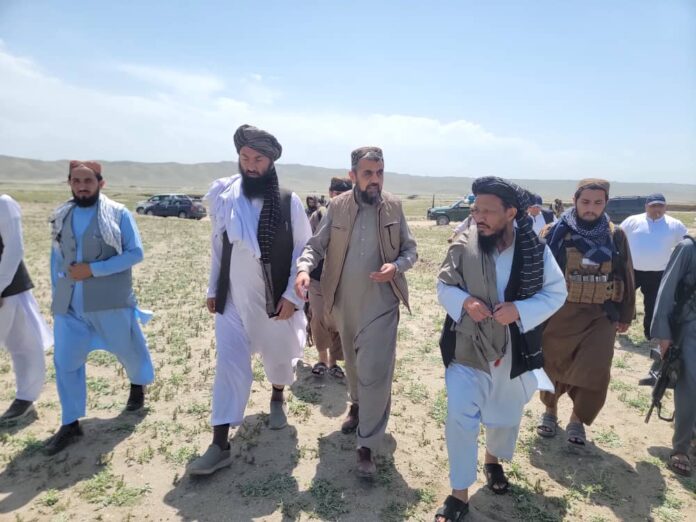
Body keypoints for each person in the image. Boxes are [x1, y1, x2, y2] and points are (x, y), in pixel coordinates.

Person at [433, 177, 566, 521]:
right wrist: (465, 302)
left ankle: (492, 461)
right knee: (459, 416)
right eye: (476, 209)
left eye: (488, 211)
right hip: (467, 346)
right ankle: (459, 494)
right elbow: (443, 286)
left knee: (505, 414)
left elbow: (557, 293)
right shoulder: (463, 244)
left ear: (511, 213)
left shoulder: (535, 250)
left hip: (512, 349)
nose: (479, 217)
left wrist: (519, 310)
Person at [188, 124, 311, 476]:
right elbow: (218, 247)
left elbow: (304, 249)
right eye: (245, 158)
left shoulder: (288, 202)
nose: (251, 166)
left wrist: (292, 296)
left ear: (270, 162)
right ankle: (219, 444)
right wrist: (213, 289)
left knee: (278, 357)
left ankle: (277, 395)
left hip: (273, 300)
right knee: (228, 366)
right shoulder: (226, 196)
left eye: (258, 159)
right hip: (231, 300)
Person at [295, 146, 417, 478]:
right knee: (352, 365)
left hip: (382, 304)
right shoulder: (337, 207)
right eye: (368, 174)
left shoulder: (394, 206)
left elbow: (410, 250)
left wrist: (397, 266)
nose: (375, 180)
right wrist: (304, 269)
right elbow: (315, 246)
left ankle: (367, 445)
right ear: (353, 176)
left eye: (379, 173)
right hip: (344, 304)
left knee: (375, 371)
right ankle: (358, 405)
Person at [46, 161, 155, 455]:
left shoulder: (117, 214)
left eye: (88, 181)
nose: (82, 186)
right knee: (65, 361)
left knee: (128, 349)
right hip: (69, 305)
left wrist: (93, 270)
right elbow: (56, 258)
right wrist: (57, 296)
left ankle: (137, 385)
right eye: (77, 181)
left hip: (109, 301)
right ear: (70, 183)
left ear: (100, 183)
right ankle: (70, 422)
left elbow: (135, 253)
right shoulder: (62, 215)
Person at [537, 179, 635, 447]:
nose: (591, 208)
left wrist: (625, 314)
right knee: (552, 365)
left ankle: (577, 420)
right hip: (560, 314)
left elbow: (626, 272)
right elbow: (537, 273)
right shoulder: (554, 232)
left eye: (598, 203)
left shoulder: (616, 235)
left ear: (606, 203)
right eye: (586, 202)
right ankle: (550, 411)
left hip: (601, 315)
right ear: (575, 200)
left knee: (595, 369)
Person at [0, 194, 52, 422]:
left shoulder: (3, 204)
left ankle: (25, 399)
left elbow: (14, 249)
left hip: (7, 291)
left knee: (24, 344)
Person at [650, 236, 696, 476]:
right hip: (690, 328)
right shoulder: (688, 248)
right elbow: (666, 291)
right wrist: (663, 334)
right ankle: (681, 448)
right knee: (690, 387)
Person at [621, 193, 687, 340]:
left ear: (665, 207)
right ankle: (620, 325)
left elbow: (686, 245)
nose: (657, 209)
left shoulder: (675, 225)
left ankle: (650, 334)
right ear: (646, 207)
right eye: (653, 206)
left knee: (652, 305)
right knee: (623, 298)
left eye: (660, 206)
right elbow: (618, 237)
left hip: (658, 273)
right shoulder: (632, 221)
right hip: (632, 271)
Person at [307, 177, 353, 379]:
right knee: (318, 316)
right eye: (337, 194)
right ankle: (321, 359)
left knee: (338, 320)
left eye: (345, 194)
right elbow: (307, 245)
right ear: (330, 193)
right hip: (317, 278)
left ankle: (333, 363)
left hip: (343, 280)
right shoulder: (318, 216)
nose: (340, 198)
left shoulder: (355, 217)